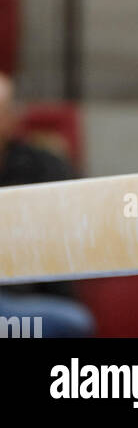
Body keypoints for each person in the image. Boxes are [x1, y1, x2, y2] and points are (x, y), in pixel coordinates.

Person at [0, 74, 95, 338]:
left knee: (73, 322)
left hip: (23, 302)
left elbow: (90, 208)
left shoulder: (44, 165)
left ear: (12, 118)